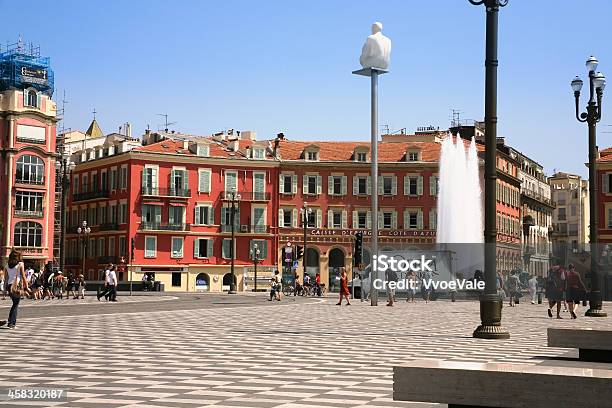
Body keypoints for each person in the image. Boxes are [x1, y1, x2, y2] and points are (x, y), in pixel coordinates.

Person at [0, 250, 29, 329]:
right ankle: (11, 323)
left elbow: (6, 278)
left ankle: (11, 322)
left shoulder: (7, 265)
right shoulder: (20, 264)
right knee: (15, 304)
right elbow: (23, 276)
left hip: (9, 287)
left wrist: (5, 290)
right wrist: (27, 287)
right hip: (16, 287)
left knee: (15, 303)